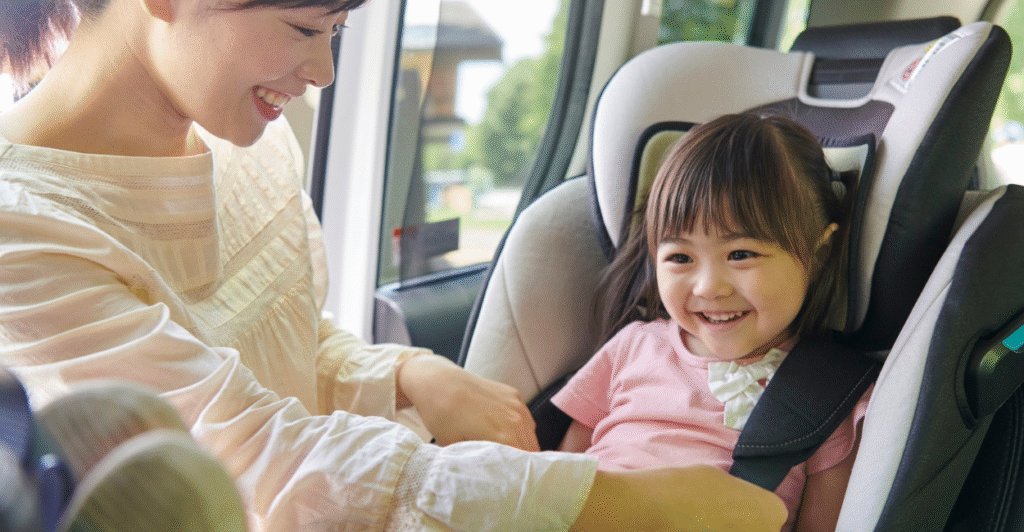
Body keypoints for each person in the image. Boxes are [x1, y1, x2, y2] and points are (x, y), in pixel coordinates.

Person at [0, 0, 788, 530]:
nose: (324, 74)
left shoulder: (253, 148)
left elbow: (293, 349)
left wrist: (411, 375)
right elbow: (252, 459)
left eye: (336, 32)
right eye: (307, 28)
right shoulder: (23, 231)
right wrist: (611, 503)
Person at [552, 113, 872, 532]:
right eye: (680, 258)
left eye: (741, 254)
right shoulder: (633, 346)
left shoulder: (833, 394)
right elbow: (557, 483)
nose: (709, 287)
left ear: (820, 252)